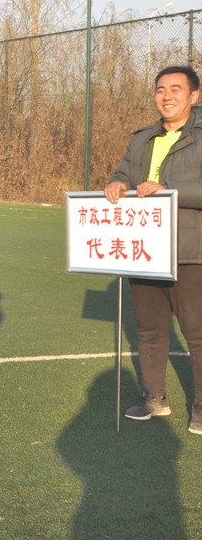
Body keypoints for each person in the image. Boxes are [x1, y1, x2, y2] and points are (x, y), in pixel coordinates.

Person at [105, 64, 202, 433]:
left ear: (194, 95)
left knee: (197, 333)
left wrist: (168, 190)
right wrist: (116, 184)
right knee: (149, 328)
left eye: (176, 89)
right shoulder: (142, 138)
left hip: (191, 251)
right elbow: (123, 173)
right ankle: (154, 399)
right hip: (144, 250)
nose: (167, 96)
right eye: (161, 89)